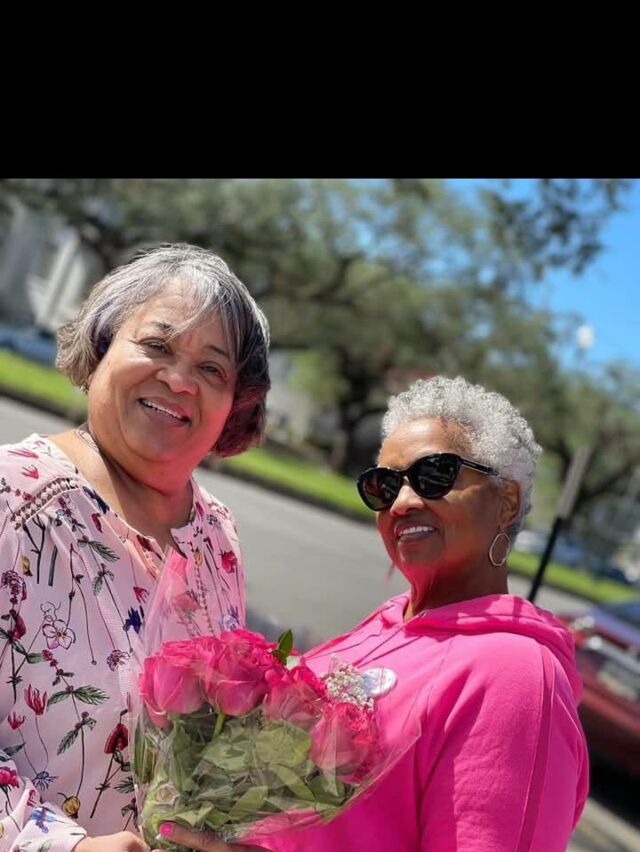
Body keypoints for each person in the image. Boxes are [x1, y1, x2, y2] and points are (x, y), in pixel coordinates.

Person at [0, 244, 270, 851]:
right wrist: (63, 846)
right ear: (100, 349)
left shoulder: (216, 536)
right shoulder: (13, 497)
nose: (178, 381)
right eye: (157, 345)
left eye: (213, 370)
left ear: (235, 405)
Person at [266, 375, 589, 852]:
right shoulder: (387, 625)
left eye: (434, 475)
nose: (402, 502)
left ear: (506, 501)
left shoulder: (515, 676)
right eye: (383, 486)